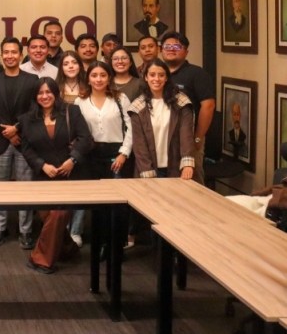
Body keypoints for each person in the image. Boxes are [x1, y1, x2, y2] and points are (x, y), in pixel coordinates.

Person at [19, 77, 93, 274]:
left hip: (70, 175)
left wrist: (72, 159)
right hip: (44, 177)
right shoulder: (27, 119)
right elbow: (26, 149)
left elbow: (86, 139)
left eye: (48, 92)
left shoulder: (72, 111)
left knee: (59, 213)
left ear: (55, 93)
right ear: (35, 96)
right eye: (40, 93)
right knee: (50, 217)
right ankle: (68, 249)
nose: (45, 96)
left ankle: (40, 259)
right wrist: (42, 165)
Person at [0, 37, 40, 249]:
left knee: (26, 189)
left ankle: (25, 231)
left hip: (24, 142)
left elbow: (35, 109)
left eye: (14, 52)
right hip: (0, 142)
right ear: (1, 54)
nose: (9, 56)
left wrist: (17, 128)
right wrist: (7, 132)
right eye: (6, 52)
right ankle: (0, 228)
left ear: (21, 54)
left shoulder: (32, 80)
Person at [70, 61, 133, 247]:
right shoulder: (80, 101)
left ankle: (115, 239)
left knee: (116, 199)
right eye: (94, 75)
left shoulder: (120, 98)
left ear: (109, 78)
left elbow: (131, 127)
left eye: (103, 75)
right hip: (90, 153)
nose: (98, 79)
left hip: (115, 153)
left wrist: (124, 153)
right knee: (86, 195)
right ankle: (78, 233)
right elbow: (76, 130)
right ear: (88, 79)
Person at [160, 31, 214, 185]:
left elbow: (208, 106)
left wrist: (198, 137)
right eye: (167, 46)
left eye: (177, 46)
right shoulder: (158, 73)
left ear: (186, 51)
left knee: (192, 181)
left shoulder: (197, 73)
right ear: (161, 50)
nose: (171, 49)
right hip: (163, 136)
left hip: (189, 137)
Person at [128, 59, 195, 179]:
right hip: (147, 169)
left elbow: (186, 135)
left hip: (176, 167)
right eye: (152, 75)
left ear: (167, 78)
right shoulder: (137, 106)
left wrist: (187, 164)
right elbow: (139, 144)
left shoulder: (181, 102)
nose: (157, 79)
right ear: (146, 77)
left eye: (161, 75)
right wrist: (147, 170)